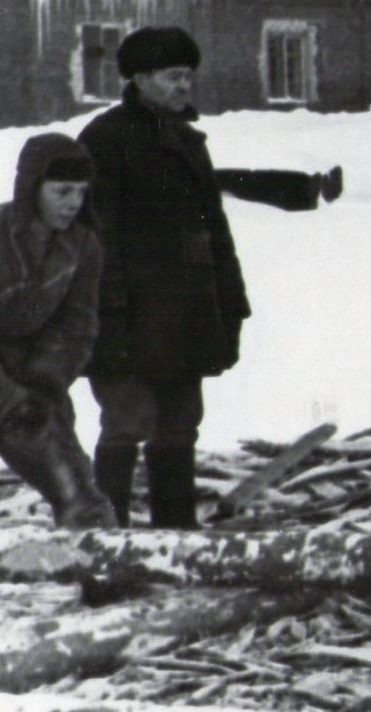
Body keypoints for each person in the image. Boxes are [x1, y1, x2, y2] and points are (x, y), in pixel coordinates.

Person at [76, 26, 251, 529]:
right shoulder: (104, 140)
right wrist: (107, 316)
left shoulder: (187, 140)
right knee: (126, 422)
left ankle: (176, 537)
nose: (184, 87)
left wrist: (231, 303)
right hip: (127, 315)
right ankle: (106, 542)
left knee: (179, 424)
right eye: (174, 77)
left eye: (188, 77)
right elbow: (93, 238)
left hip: (186, 314)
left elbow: (215, 233)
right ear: (141, 78)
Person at [0, 134, 117, 528]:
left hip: (25, 366)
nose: (73, 203)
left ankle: (97, 556)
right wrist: (13, 398)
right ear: (32, 187)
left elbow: (77, 323)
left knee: (73, 479)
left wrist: (46, 378)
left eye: (81, 192)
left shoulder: (82, 245)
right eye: (62, 190)